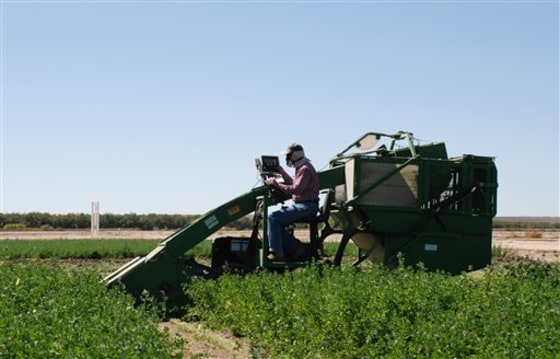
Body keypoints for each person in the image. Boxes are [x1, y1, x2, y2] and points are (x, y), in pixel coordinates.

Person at [265, 143, 319, 261]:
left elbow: (296, 189)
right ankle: (296, 248)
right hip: (304, 205)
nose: (287, 158)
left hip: (307, 206)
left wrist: (277, 184)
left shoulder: (305, 169)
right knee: (274, 223)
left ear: (294, 155)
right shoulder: (302, 167)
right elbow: (293, 183)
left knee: (273, 218)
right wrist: (282, 172)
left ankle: (277, 253)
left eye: (288, 155)